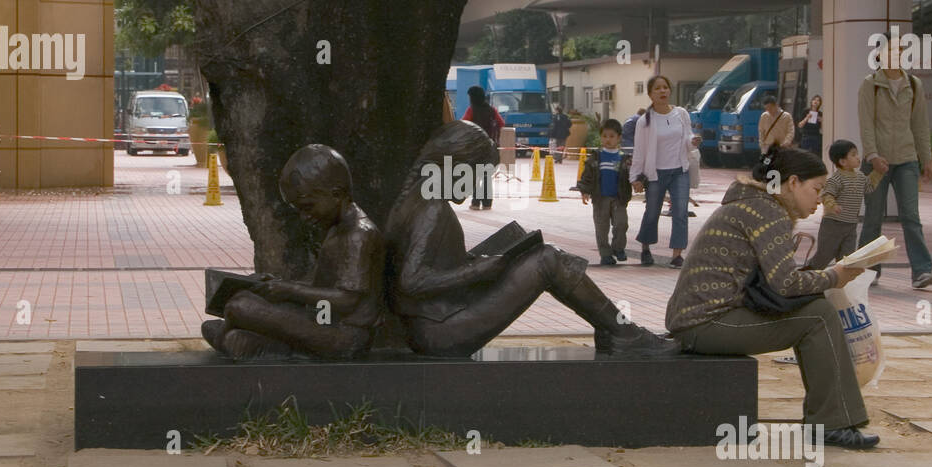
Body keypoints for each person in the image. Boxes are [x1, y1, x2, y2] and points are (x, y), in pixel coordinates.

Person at [385, 120, 675, 356]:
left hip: (437, 320)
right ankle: (623, 333)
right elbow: (411, 281)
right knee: (548, 260)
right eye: (477, 175)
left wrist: (482, 261)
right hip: (441, 330)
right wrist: (480, 269)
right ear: (458, 167)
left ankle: (614, 329)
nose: (476, 185)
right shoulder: (432, 209)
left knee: (543, 258)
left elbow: (432, 267)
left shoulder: (419, 199)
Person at [665, 144, 878, 449]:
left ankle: (830, 419)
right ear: (793, 182)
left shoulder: (751, 203)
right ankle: (832, 423)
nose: (820, 198)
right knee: (819, 316)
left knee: (816, 311)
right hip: (706, 325)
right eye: (816, 188)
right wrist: (836, 276)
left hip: (695, 321)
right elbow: (786, 283)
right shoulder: (768, 211)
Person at [201, 145, 384, 361]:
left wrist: (290, 290)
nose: (304, 217)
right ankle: (262, 344)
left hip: (344, 336)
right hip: (324, 319)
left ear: (336, 195)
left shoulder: (358, 234)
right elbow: (323, 289)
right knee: (242, 301)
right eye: (298, 209)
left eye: (308, 207)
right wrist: (277, 285)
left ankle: (239, 340)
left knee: (239, 305)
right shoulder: (337, 227)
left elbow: (347, 300)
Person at [857, 41, 932, 289]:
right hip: (876, 162)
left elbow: (920, 124)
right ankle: (868, 269)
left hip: (906, 160)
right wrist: (872, 155)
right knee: (872, 218)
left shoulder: (913, 84)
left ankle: (922, 271)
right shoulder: (870, 84)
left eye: (899, 52)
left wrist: (927, 159)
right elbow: (866, 123)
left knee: (911, 217)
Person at [632, 74, 696, 268]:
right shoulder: (645, 121)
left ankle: (677, 255)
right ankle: (645, 249)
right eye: (657, 88)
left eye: (665, 87)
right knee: (652, 212)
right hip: (655, 173)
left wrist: (693, 142)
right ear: (650, 94)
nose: (662, 91)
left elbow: (688, 137)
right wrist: (635, 177)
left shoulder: (681, 114)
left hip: (679, 170)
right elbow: (639, 151)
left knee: (680, 212)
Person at [805, 140, 868, 269]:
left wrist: (879, 173)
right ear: (843, 162)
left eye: (857, 154)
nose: (858, 157)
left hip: (851, 225)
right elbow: (826, 195)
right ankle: (807, 274)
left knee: (847, 257)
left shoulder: (861, 177)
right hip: (833, 224)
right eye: (854, 154)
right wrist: (833, 206)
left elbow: (870, 187)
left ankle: (841, 285)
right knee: (825, 255)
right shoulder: (836, 179)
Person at [578, 118, 632, 265]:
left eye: (612, 136)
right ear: (601, 137)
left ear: (619, 138)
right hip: (600, 199)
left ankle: (618, 248)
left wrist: (639, 182)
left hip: (619, 199)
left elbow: (632, 176)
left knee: (621, 224)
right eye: (605, 136)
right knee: (601, 229)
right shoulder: (596, 157)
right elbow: (587, 175)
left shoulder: (624, 159)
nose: (608, 140)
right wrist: (584, 190)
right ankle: (605, 254)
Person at [461, 85, 504, 210]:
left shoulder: (472, 110)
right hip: (490, 147)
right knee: (487, 175)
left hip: (476, 147)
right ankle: (487, 203)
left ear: (473, 97)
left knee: (477, 175)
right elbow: (501, 123)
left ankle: (475, 203)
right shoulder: (492, 110)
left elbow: (464, 123)